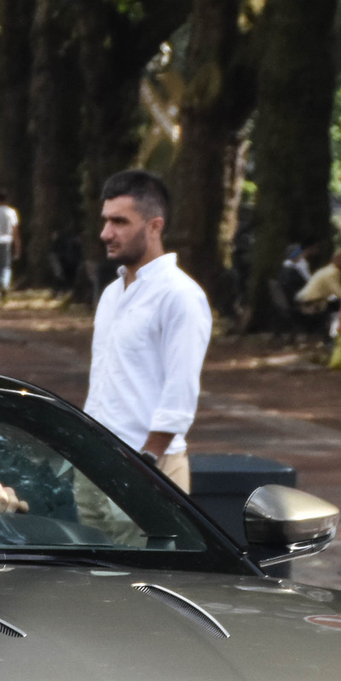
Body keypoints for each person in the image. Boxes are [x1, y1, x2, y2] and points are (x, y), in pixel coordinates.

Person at [84, 169, 214, 492]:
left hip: (149, 469)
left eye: (120, 222)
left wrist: (148, 461)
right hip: (96, 466)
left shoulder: (180, 295)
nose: (106, 233)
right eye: (105, 221)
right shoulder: (113, 293)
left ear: (155, 226)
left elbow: (180, 391)